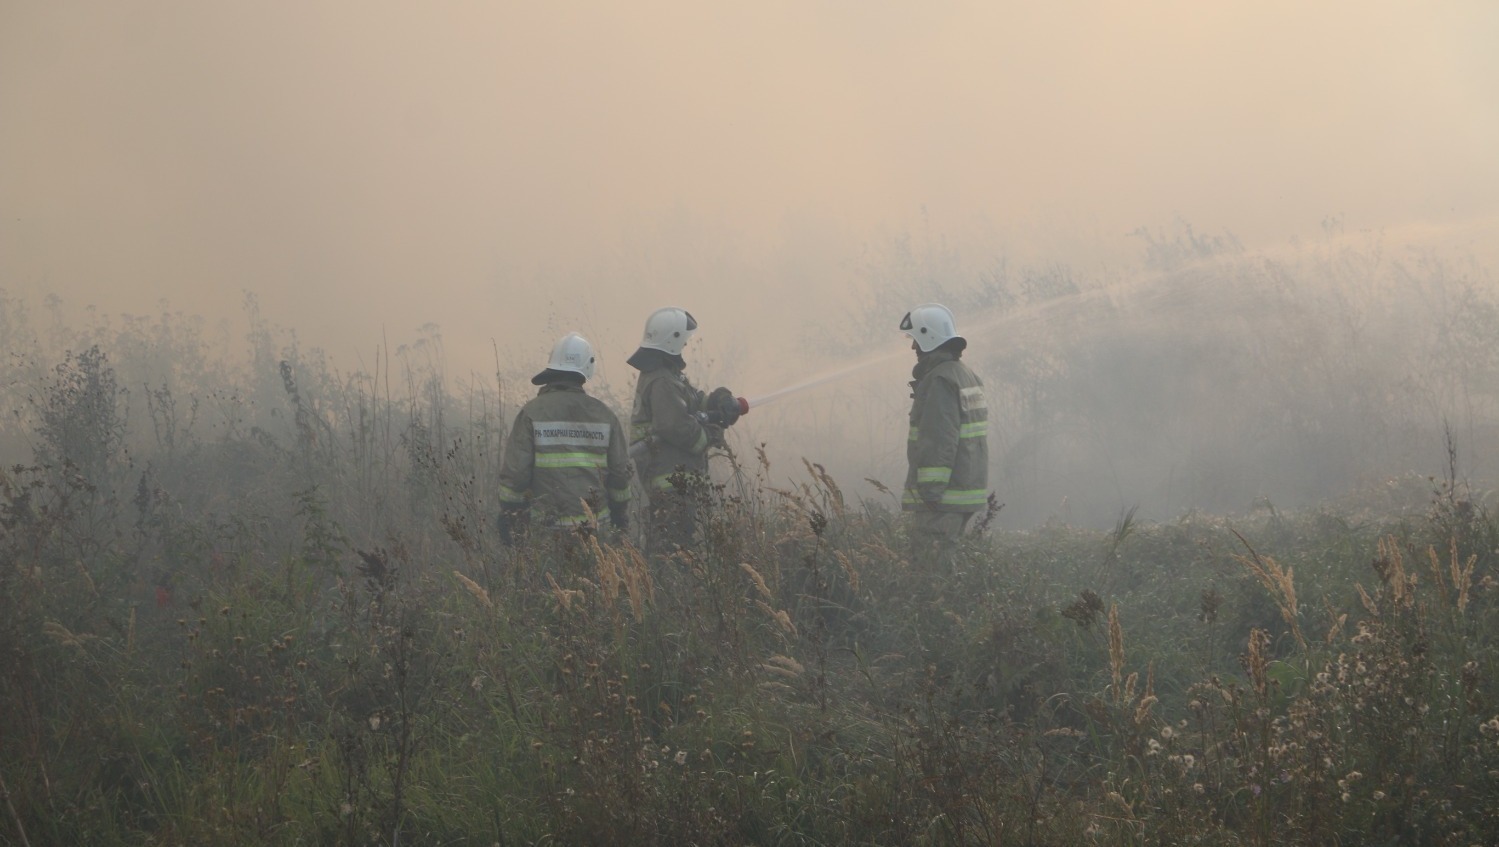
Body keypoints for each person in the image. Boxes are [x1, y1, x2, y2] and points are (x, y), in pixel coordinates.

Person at [497, 332, 633, 547]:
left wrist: (509, 514)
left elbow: (516, 474)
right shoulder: (605, 416)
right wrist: (619, 514)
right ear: (587, 368)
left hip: (546, 532)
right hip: (596, 531)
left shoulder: (531, 413)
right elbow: (620, 474)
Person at [626, 307, 742, 555]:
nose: (686, 345)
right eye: (684, 340)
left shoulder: (667, 376)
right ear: (673, 339)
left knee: (676, 545)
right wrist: (710, 435)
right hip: (670, 480)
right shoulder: (662, 381)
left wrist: (717, 400)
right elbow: (675, 425)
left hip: (674, 479)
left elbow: (691, 403)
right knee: (673, 550)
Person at [900, 303, 989, 569]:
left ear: (928, 337)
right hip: (963, 489)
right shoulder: (966, 375)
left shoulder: (940, 380)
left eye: (915, 340)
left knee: (931, 570)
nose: (913, 347)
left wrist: (930, 491)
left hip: (942, 498)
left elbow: (939, 439)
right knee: (945, 564)